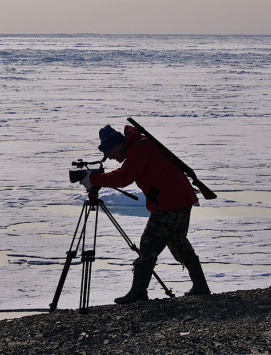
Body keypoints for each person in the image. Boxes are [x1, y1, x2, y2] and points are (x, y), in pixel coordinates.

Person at [80, 124, 211, 304]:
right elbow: (125, 173)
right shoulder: (140, 145)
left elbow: (124, 177)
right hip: (179, 199)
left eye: (110, 153)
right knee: (178, 241)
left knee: (148, 245)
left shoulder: (139, 149)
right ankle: (200, 286)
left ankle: (138, 291)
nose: (111, 158)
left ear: (117, 145)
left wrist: (94, 179)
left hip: (170, 202)